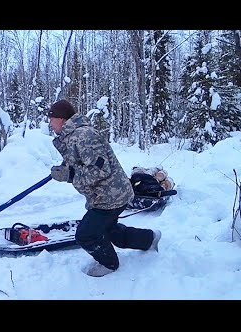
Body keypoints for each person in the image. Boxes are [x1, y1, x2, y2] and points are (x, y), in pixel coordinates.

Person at [48, 99, 162, 277]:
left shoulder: (83, 136)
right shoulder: (73, 136)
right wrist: (66, 169)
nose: (49, 123)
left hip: (110, 197)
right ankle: (149, 239)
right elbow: (82, 163)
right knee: (110, 230)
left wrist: (68, 175)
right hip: (109, 194)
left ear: (61, 119)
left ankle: (109, 263)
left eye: (51, 118)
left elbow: (100, 170)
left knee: (86, 235)